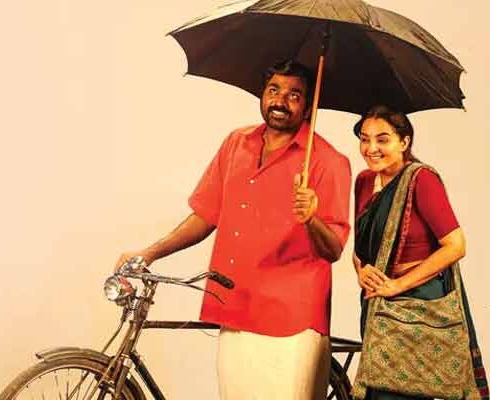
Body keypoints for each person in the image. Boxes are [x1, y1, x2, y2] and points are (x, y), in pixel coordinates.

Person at [115, 60, 351, 400]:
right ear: (262, 94)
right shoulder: (236, 143)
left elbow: (333, 249)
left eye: (294, 95)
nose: (280, 101)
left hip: (290, 319)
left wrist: (311, 218)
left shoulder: (327, 161)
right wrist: (149, 253)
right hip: (236, 306)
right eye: (274, 90)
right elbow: (206, 215)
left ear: (308, 106)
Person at [352, 105, 488, 400]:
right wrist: (362, 271)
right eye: (364, 139)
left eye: (382, 139)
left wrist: (397, 285)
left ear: (404, 142)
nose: (371, 148)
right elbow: (361, 248)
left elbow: (456, 245)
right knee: (378, 388)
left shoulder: (421, 179)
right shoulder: (363, 182)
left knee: (403, 392)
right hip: (376, 304)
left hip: (416, 302)